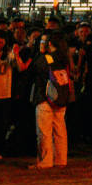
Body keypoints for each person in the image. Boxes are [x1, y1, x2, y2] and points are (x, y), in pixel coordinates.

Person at [26, 30, 75, 169]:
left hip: (45, 97)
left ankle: (45, 161)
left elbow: (32, 71)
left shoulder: (45, 58)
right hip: (61, 97)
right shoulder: (64, 58)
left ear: (50, 43)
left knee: (44, 131)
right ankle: (61, 159)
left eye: (43, 41)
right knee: (60, 129)